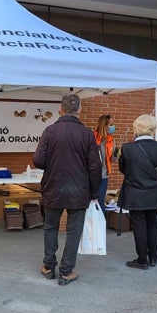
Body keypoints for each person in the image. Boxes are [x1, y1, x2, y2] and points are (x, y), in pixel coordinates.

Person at [33, 93, 102, 286]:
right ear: (80, 110)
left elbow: (38, 161)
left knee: (50, 228)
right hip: (79, 191)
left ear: (60, 109)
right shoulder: (87, 134)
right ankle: (66, 271)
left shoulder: (49, 131)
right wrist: (94, 193)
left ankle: (48, 267)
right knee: (73, 231)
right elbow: (95, 166)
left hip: (52, 188)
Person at [118, 114, 157, 270]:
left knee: (139, 225)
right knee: (152, 223)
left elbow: (122, 169)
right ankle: (153, 257)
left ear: (137, 127)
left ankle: (142, 259)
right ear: (152, 128)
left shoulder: (127, 148)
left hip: (135, 192)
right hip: (154, 191)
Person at [93, 114, 117, 218]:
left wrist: (117, 154)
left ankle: (101, 223)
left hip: (104, 175)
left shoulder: (111, 139)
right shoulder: (92, 137)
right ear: (104, 125)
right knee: (92, 200)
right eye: (111, 124)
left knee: (101, 199)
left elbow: (113, 160)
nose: (113, 126)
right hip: (92, 175)